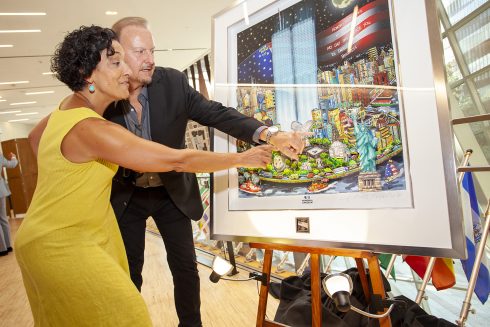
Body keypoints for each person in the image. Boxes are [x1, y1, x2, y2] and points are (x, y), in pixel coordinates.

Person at [15, 25, 272, 326]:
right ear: (88, 74)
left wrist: (67, 180)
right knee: (127, 314)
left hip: (49, 233)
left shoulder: (68, 108)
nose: (128, 70)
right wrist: (243, 158)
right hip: (63, 240)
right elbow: (177, 160)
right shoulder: (92, 128)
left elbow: (36, 140)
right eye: (116, 62)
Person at [105, 17, 306, 327]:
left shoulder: (171, 83)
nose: (150, 60)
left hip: (170, 193)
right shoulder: (104, 98)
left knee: (185, 268)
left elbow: (217, 114)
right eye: (141, 52)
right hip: (127, 195)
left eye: (152, 51)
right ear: (116, 54)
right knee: (129, 273)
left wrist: (270, 134)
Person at [0, 152, 18, 256]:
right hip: (1, 190)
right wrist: (14, 157)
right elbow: (12, 164)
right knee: (3, 219)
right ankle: (8, 246)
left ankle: (2, 249)